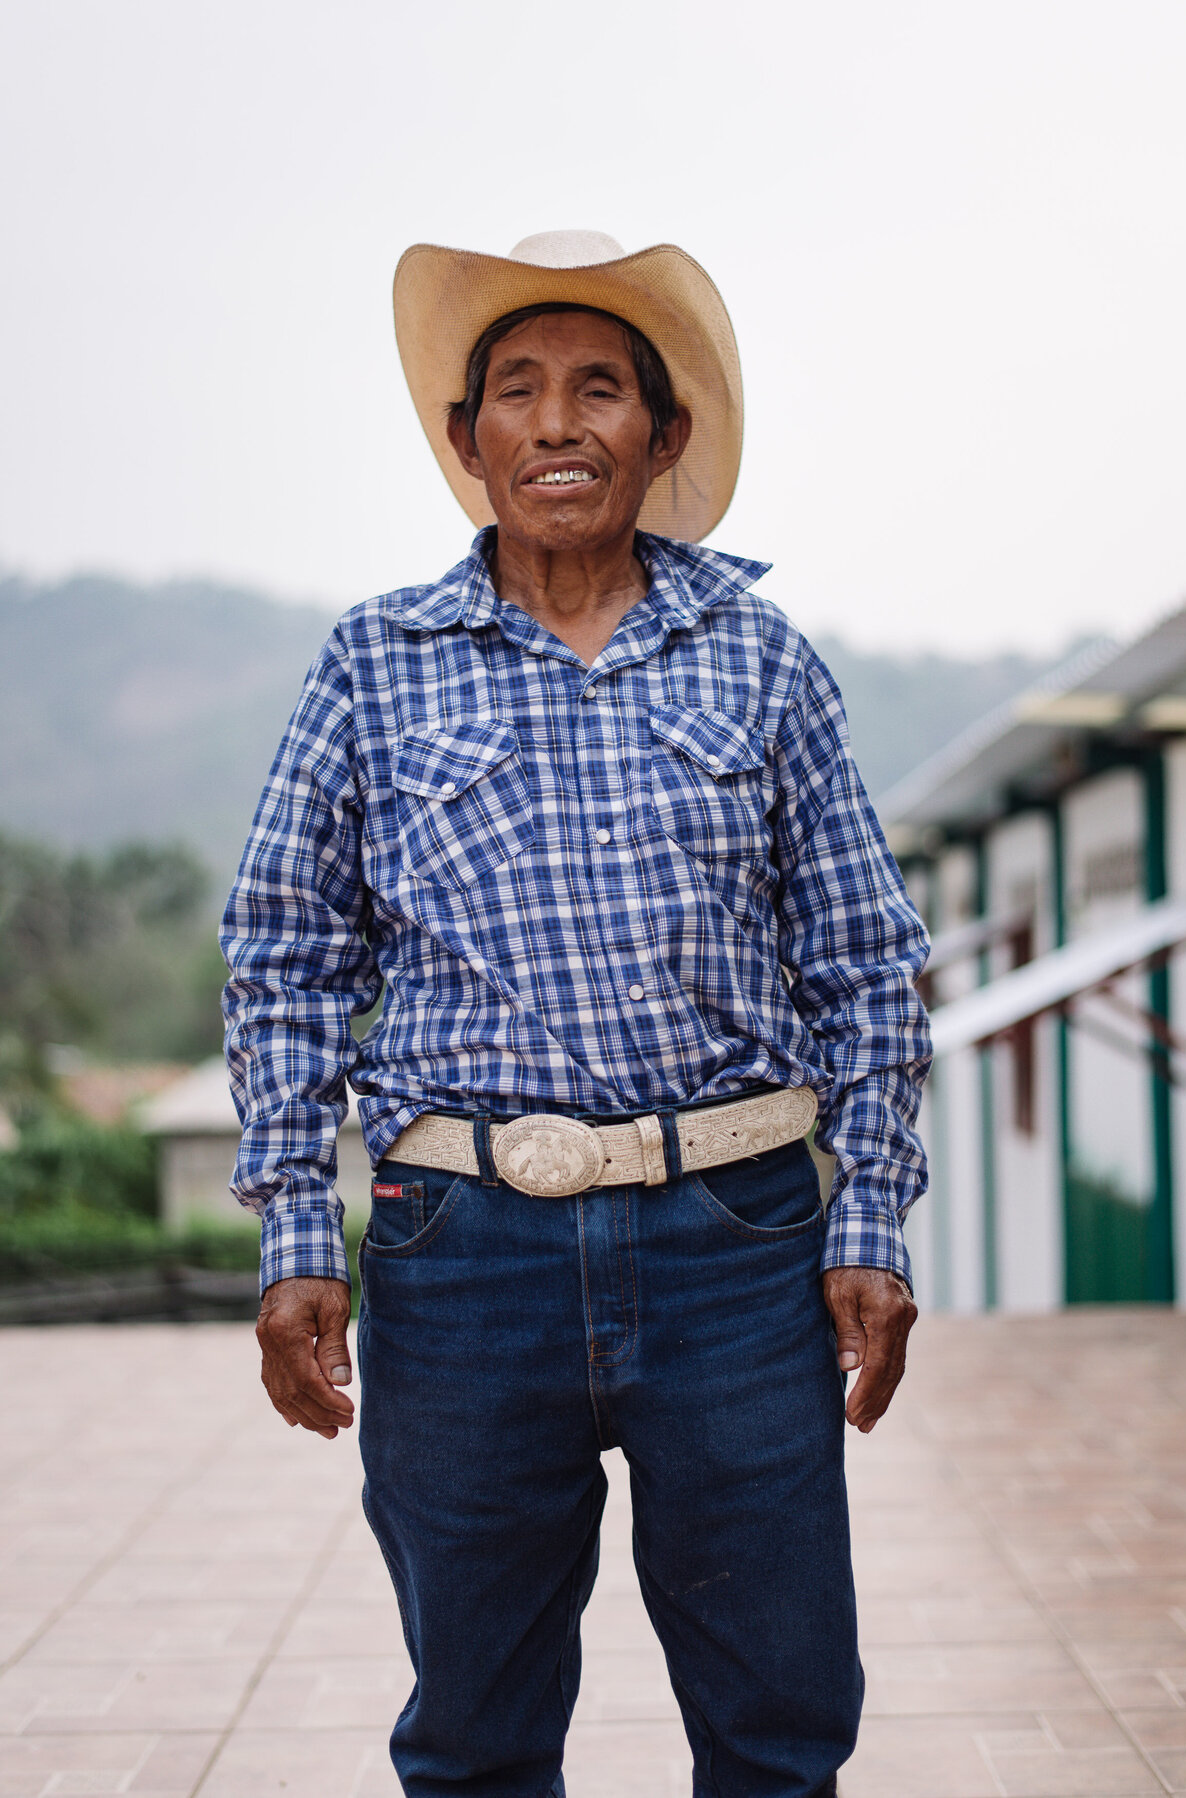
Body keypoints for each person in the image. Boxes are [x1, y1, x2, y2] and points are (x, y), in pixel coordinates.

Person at [221, 230, 931, 1798]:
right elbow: (284, 957)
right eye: (519, 392)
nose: (558, 424)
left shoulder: (761, 661)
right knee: (473, 1734)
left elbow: (868, 960)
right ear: (468, 442)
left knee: (779, 1721)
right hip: (460, 1250)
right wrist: (293, 1235)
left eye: (599, 389)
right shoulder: (373, 666)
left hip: (738, 1248)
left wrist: (869, 1217)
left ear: (661, 438)